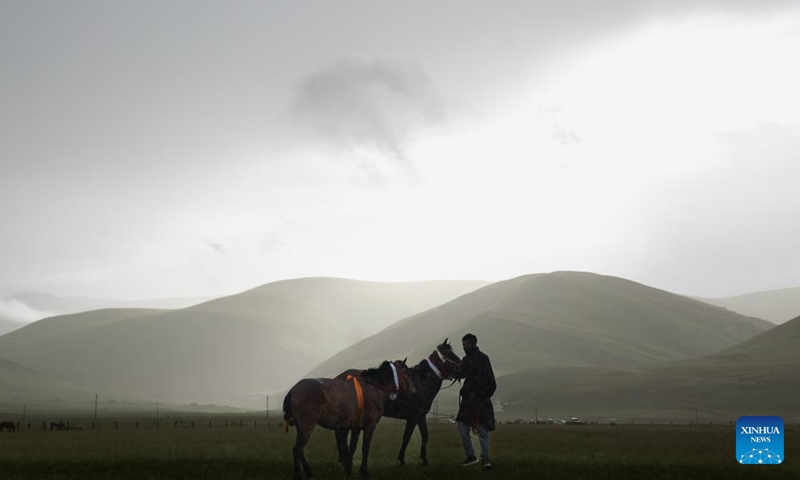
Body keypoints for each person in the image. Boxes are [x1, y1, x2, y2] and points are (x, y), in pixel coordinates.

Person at [455, 332, 496, 470]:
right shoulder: (465, 360)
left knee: (482, 431)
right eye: (463, 345)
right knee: (462, 428)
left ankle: (486, 460)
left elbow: (491, 382)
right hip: (468, 401)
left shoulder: (484, 359)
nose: (464, 347)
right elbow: (460, 374)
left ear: (472, 344)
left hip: (481, 401)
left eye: (465, 345)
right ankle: (471, 456)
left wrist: (481, 395)